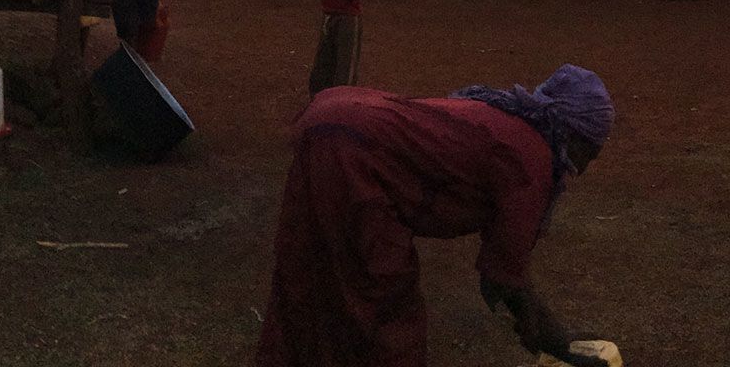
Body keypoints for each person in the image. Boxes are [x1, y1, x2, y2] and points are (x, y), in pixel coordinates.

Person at [257, 65, 614, 367]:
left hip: (336, 119)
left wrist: (535, 324)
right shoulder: (531, 158)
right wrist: (555, 339)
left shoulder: (510, 122)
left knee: (309, 268)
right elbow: (504, 275)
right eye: (590, 152)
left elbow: (501, 275)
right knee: (383, 305)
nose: (581, 169)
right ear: (574, 134)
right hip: (350, 150)